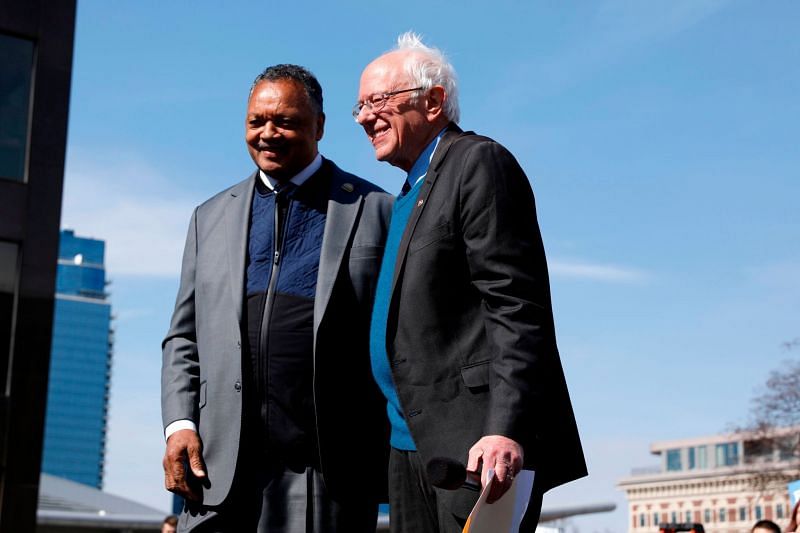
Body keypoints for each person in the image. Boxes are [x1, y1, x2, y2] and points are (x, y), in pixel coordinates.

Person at [354, 32, 587, 532]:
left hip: (477, 449)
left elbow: (516, 308)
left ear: (433, 101)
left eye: (377, 101)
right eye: (359, 107)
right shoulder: (404, 195)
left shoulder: (477, 163)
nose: (365, 118)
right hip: (408, 445)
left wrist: (505, 428)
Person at [161, 64, 392, 532]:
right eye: (256, 122)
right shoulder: (209, 217)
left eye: (285, 121)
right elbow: (183, 339)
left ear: (320, 126)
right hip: (218, 475)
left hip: (327, 479)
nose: (268, 133)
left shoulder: (377, 211)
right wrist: (179, 425)